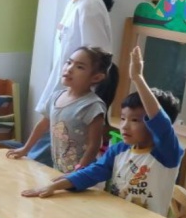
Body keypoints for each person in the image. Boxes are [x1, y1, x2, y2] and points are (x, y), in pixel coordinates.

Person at [27, 46, 182, 218]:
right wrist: (55, 186)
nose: (124, 126)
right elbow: (92, 173)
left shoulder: (166, 153)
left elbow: (160, 122)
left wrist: (137, 79)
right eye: (123, 118)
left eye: (135, 120)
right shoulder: (119, 150)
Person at [23, 0, 114, 165]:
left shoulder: (90, 7)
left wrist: (79, 100)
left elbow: (99, 59)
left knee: (49, 163)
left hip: (75, 105)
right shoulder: (75, 2)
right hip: (62, 97)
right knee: (42, 159)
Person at [8, 46, 117, 175]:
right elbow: (42, 126)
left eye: (80, 67)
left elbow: (94, 145)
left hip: (81, 175)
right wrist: (25, 149)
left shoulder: (92, 105)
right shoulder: (56, 96)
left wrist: (78, 172)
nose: (69, 69)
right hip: (58, 169)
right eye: (69, 62)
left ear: (96, 78)